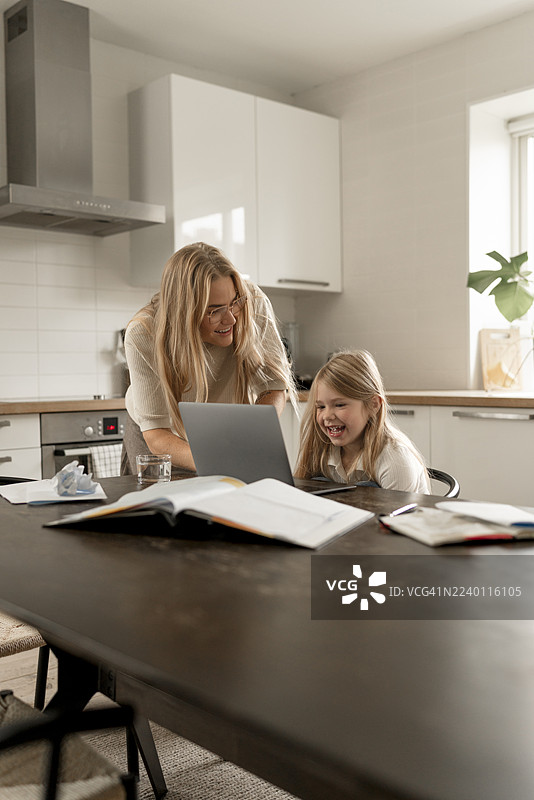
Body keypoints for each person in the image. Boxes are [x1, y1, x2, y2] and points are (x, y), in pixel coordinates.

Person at [121, 242, 297, 474]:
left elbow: (274, 387)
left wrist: (249, 435)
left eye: (233, 303)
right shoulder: (144, 333)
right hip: (161, 436)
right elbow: (157, 434)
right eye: (214, 310)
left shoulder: (251, 302)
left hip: (226, 432)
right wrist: (216, 461)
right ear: (183, 311)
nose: (231, 319)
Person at [295, 350, 430, 493]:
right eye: (321, 407)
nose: (327, 416)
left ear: (374, 405)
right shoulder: (320, 448)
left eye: (340, 405)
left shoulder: (395, 459)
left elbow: (397, 515)